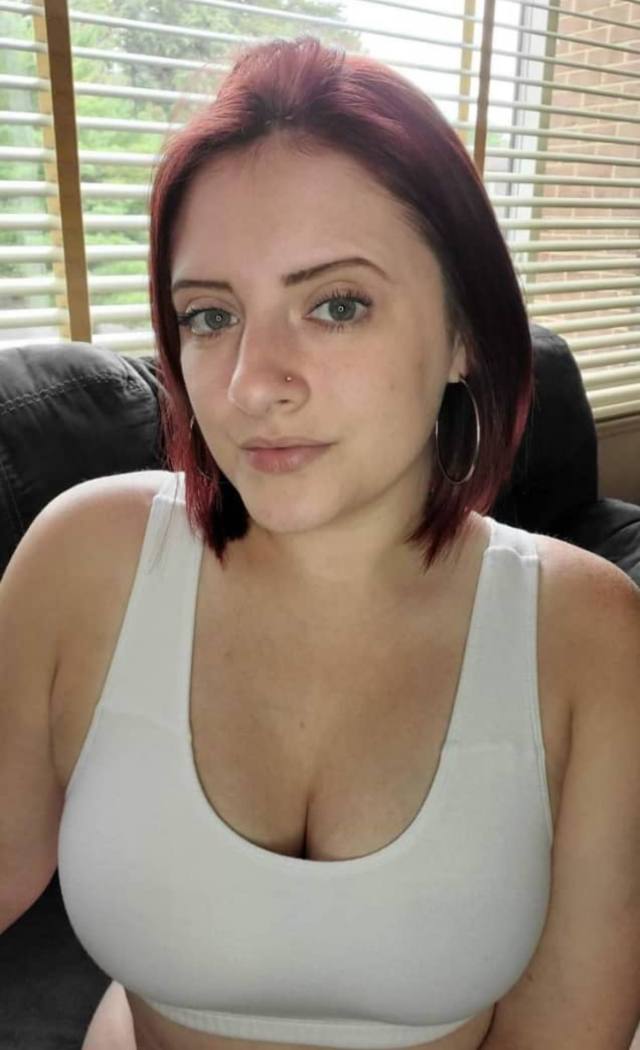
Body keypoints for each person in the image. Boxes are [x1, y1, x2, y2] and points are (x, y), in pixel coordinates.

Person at [1, 33, 639, 1050]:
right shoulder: (83, 565)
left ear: (464, 330)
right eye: (210, 316)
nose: (252, 383)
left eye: (337, 305)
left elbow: (564, 1032)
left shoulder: (589, 637)